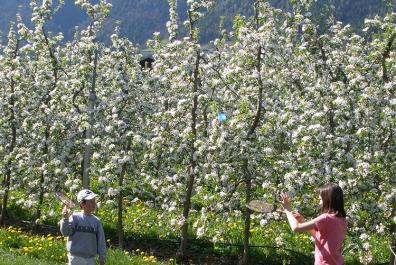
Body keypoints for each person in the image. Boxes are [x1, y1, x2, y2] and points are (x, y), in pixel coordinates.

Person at [281, 183, 347, 265]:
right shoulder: (342, 220)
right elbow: (319, 237)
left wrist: (287, 209)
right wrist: (303, 221)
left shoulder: (325, 218)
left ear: (327, 199)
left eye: (320, 199)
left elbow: (295, 228)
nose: (319, 202)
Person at [60, 189, 106, 265]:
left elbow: (101, 241)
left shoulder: (97, 221)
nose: (94, 203)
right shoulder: (75, 217)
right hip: (75, 259)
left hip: (90, 259)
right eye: (91, 201)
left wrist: (102, 258)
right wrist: (65, 219)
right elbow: (65, 232)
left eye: (94, 201)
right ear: (82, 204)